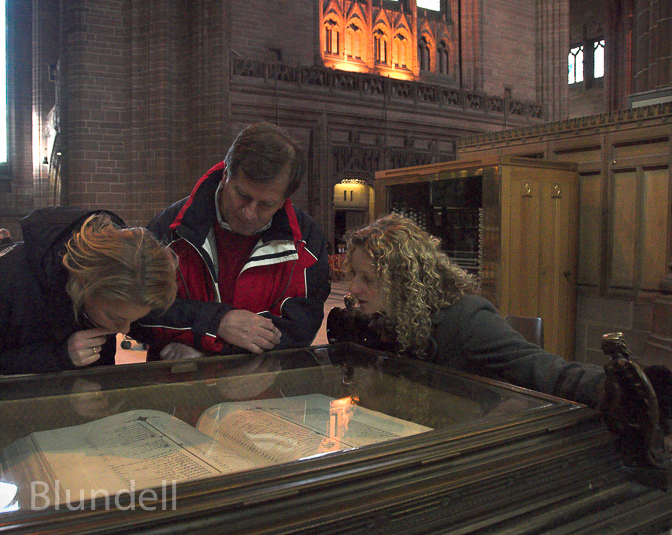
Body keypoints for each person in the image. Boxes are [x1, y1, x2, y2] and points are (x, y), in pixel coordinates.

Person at [341, 213, 672, 412]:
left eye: (368, 278)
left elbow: (544, 370)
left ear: (405, 280)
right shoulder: (383, 321)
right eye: (354, 274)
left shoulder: (466, 319)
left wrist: (620, 388)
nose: (353, 288)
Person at [132, 122, 331, 360]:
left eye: (266, 204)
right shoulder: (170, 229)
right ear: (226, 175)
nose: (249, 213)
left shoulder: (306, 240)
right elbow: (137, 313)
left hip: (261, 381)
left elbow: (300, 328)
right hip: (175, 377)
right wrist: (219, 322)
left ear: (284, 199)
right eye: (243, 196)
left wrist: (209, 348)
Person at [0, 207, 178, 379]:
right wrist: (58, 356)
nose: (124, 330)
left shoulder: (107, 298)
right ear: (83, 284)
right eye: (116, 318)